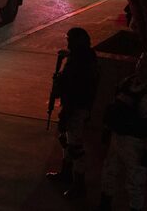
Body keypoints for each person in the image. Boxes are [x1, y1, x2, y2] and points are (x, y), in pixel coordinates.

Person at [46, 27, 99, 199]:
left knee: (75, 146)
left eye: (70, 40)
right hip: (76, 105)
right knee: (68, 140)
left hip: (76, 107)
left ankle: (78, 183)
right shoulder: (83, 56)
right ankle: (67, 172)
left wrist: (66, 113)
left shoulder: (80, 62)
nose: (68, 44)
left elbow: (75, 88)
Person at [98, 56, 147, 211]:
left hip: (136, 142)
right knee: (109, 171)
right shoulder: (127, 82)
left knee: (135, 182)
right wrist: (108, 130)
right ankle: (105, 205)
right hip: (118, 136)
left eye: (146, 65)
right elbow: (114, 106)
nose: (141, 67)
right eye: (140, 62)